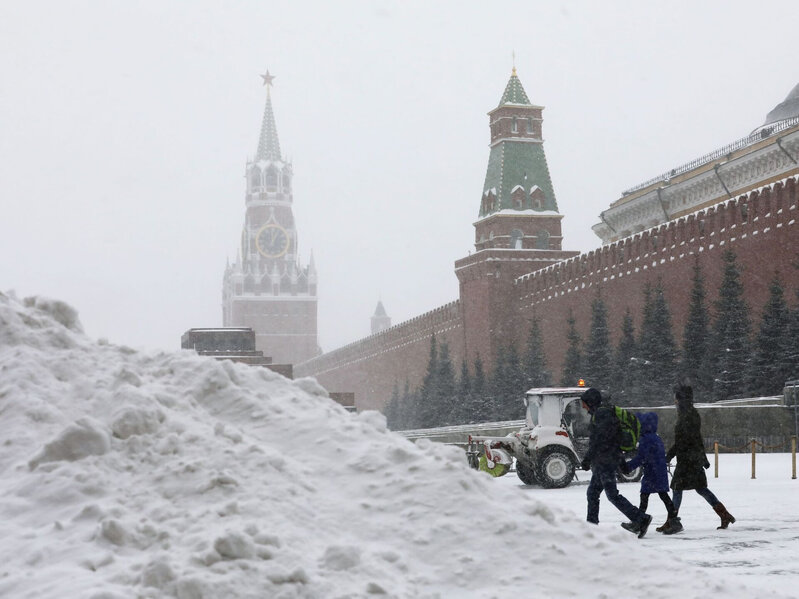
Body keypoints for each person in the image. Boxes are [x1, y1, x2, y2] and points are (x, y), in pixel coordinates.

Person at [580, 387, 652, 538]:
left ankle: (641, 519)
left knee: (612, 495)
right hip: (605, 460)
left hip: (605, 461)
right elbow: (613, 440)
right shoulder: (602, 414)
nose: (582, 406)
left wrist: (587, 459)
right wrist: (619, 460)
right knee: (593, 493)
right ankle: (591, 526)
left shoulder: (601, 415)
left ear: (590, 402)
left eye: (584, 403)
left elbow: (601, 441)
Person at [665, 384, 736, 530]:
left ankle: (672, 521)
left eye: (676, 398)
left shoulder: (687, 416)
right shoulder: (690, 414)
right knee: (700, 489)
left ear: (681, 399)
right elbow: (693, 439)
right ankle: (724, 515)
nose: (674, 401)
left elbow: (684, 440)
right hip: (692, 459)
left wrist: (670, 455)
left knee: (678, 488)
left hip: (688, 460)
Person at [621, 412, 682, 534]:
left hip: (652, 472)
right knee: (661, 496)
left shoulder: (646, 439)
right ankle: (674, 521)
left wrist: (628, 467)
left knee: (646, 497)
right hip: (658, 471)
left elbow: (641, 457)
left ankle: (640, 522)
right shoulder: (655, 437)